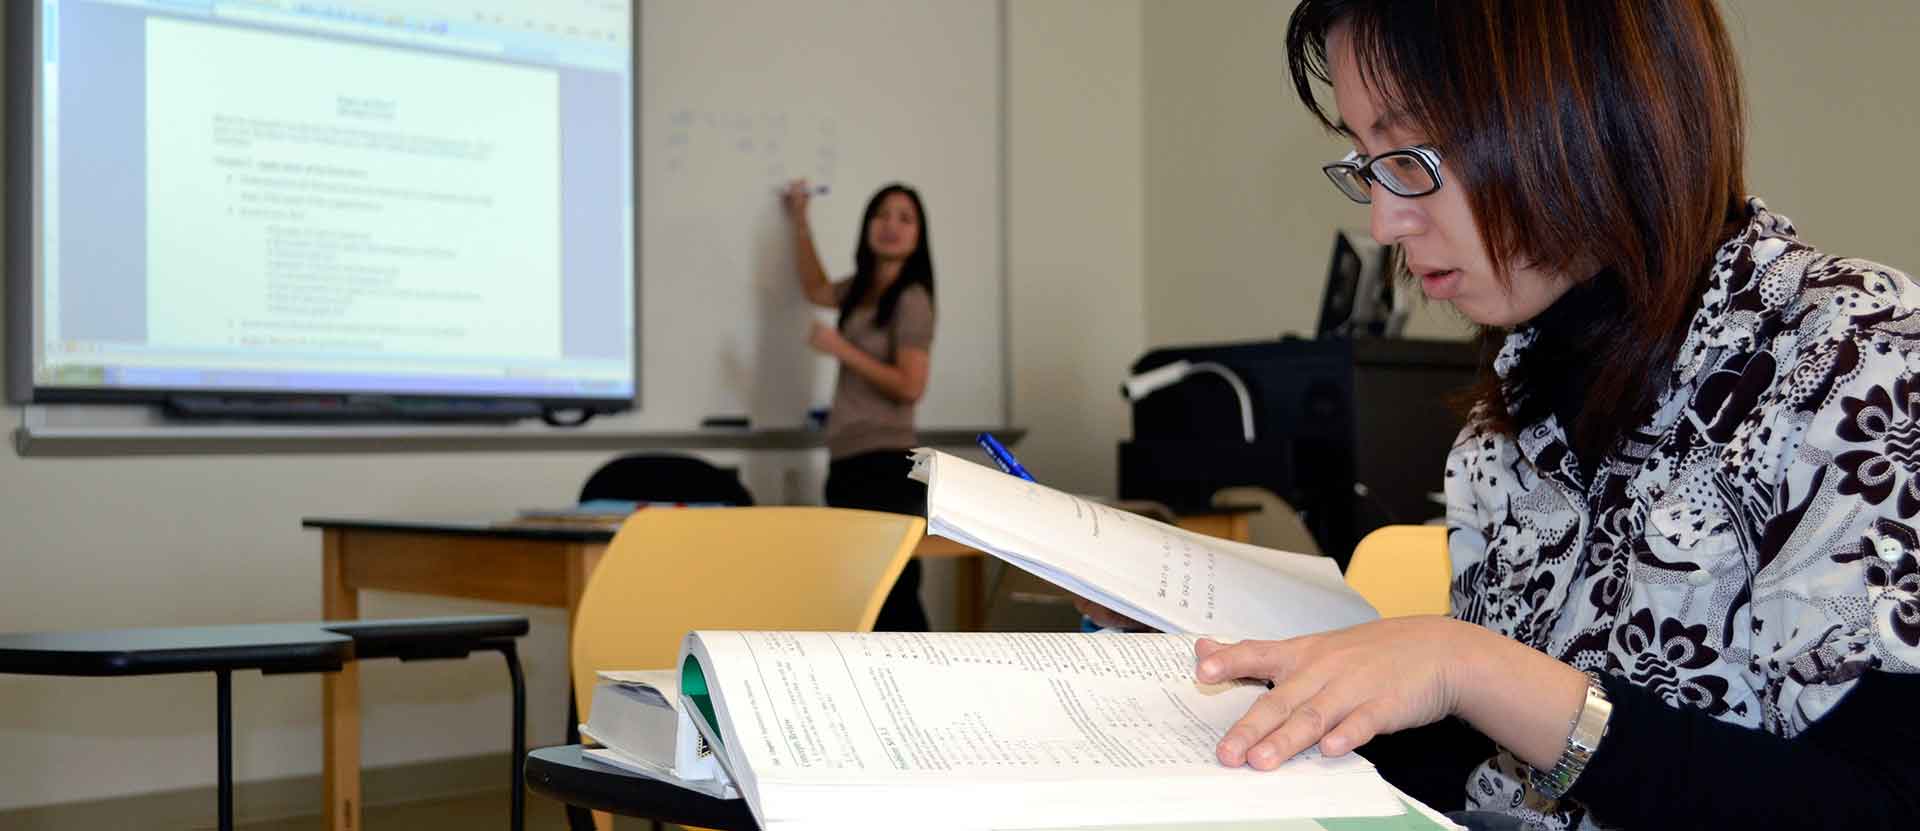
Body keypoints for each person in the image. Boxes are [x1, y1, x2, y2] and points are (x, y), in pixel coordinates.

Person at [1084, 2, 1920, 828]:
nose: (1384, 222)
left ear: (1583, 116)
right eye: (1367, 161)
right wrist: (1258, 669)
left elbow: (1875, 804)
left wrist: (1472, 665)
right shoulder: (1510, 416)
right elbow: (1479, 768)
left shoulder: (1857, 357)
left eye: (1410, 156)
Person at [783, 180, 936, 632]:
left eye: (904, 218)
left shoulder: (912, 300)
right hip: (849, 462)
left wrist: (840, 348)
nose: (890, 225)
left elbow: (910, 386)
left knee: (893, 599)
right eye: (882, 214)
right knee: (858, 598)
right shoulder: (860, 291)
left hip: (886, 466)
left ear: (918, 236)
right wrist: (799, 218)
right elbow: (814, 287)